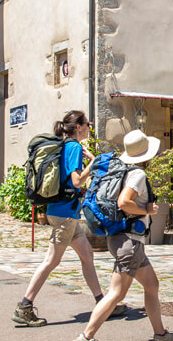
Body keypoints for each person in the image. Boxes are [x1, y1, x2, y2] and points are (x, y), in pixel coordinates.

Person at [73, 130, 173, 341]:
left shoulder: (116, 168)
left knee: (152, 285)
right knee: (117, 293)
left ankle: (160, 335)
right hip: (129, 242)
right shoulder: (137, 174)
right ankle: (86, 337)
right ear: (145, 154)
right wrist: (147, 210)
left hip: (121, 239)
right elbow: (124, 202)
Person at [13, 110, 125, 327]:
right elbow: (76, 181)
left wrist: (90, 160)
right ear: (79, 127)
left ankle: (103, 303)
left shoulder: (68, 146)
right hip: (64, 214)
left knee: (87, 255)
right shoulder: (72, 147)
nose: (89, 129)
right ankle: (24, 306)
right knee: (51, 261)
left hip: (64, 212)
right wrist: (94, 164)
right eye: (87, 125)